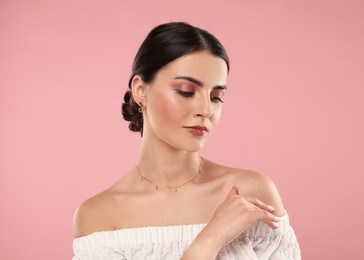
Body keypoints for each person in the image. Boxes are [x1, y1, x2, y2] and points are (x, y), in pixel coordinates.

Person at [72, 22, 301, 259]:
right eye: (186, 91)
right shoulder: (99, 215)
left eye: (216, 97)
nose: (206, 110)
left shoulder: (250, 194)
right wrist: (210, 239)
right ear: (140, 90)